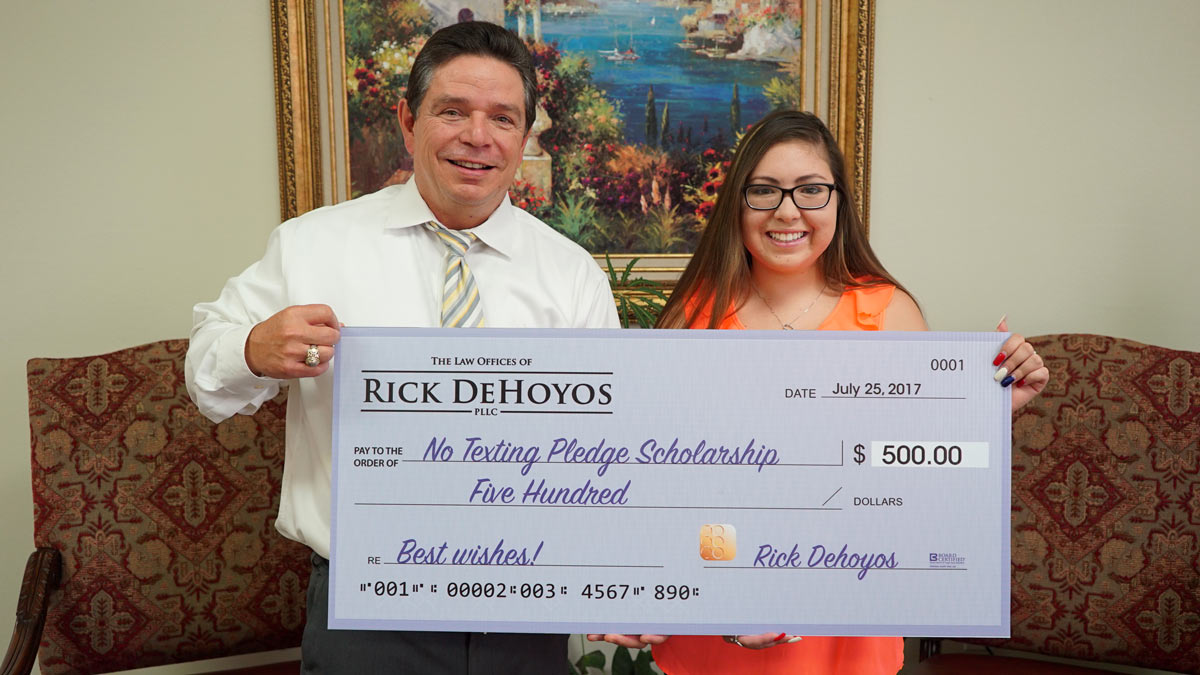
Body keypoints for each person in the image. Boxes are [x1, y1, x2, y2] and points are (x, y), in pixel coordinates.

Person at [186, 21, 618, 675]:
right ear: (409, 123)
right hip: (368, 614)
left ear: (524, 134)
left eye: (503, 118)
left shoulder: (572, 274)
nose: (478, 136)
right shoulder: (312, 246)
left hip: (525, 607)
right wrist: (251, 347)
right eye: (453, 112)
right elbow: (205, 376)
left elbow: (605, 447)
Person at [588, 109, 1049, 674]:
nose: (787, 211)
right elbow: (656, 480)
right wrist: (641, 586)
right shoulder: (695, 316)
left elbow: (920, 480)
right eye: (764, 190)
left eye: (810, 190)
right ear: (738, 203)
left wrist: (985, 414)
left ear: (838, 202)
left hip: (844, 630)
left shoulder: (889, 313)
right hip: (713, 628)